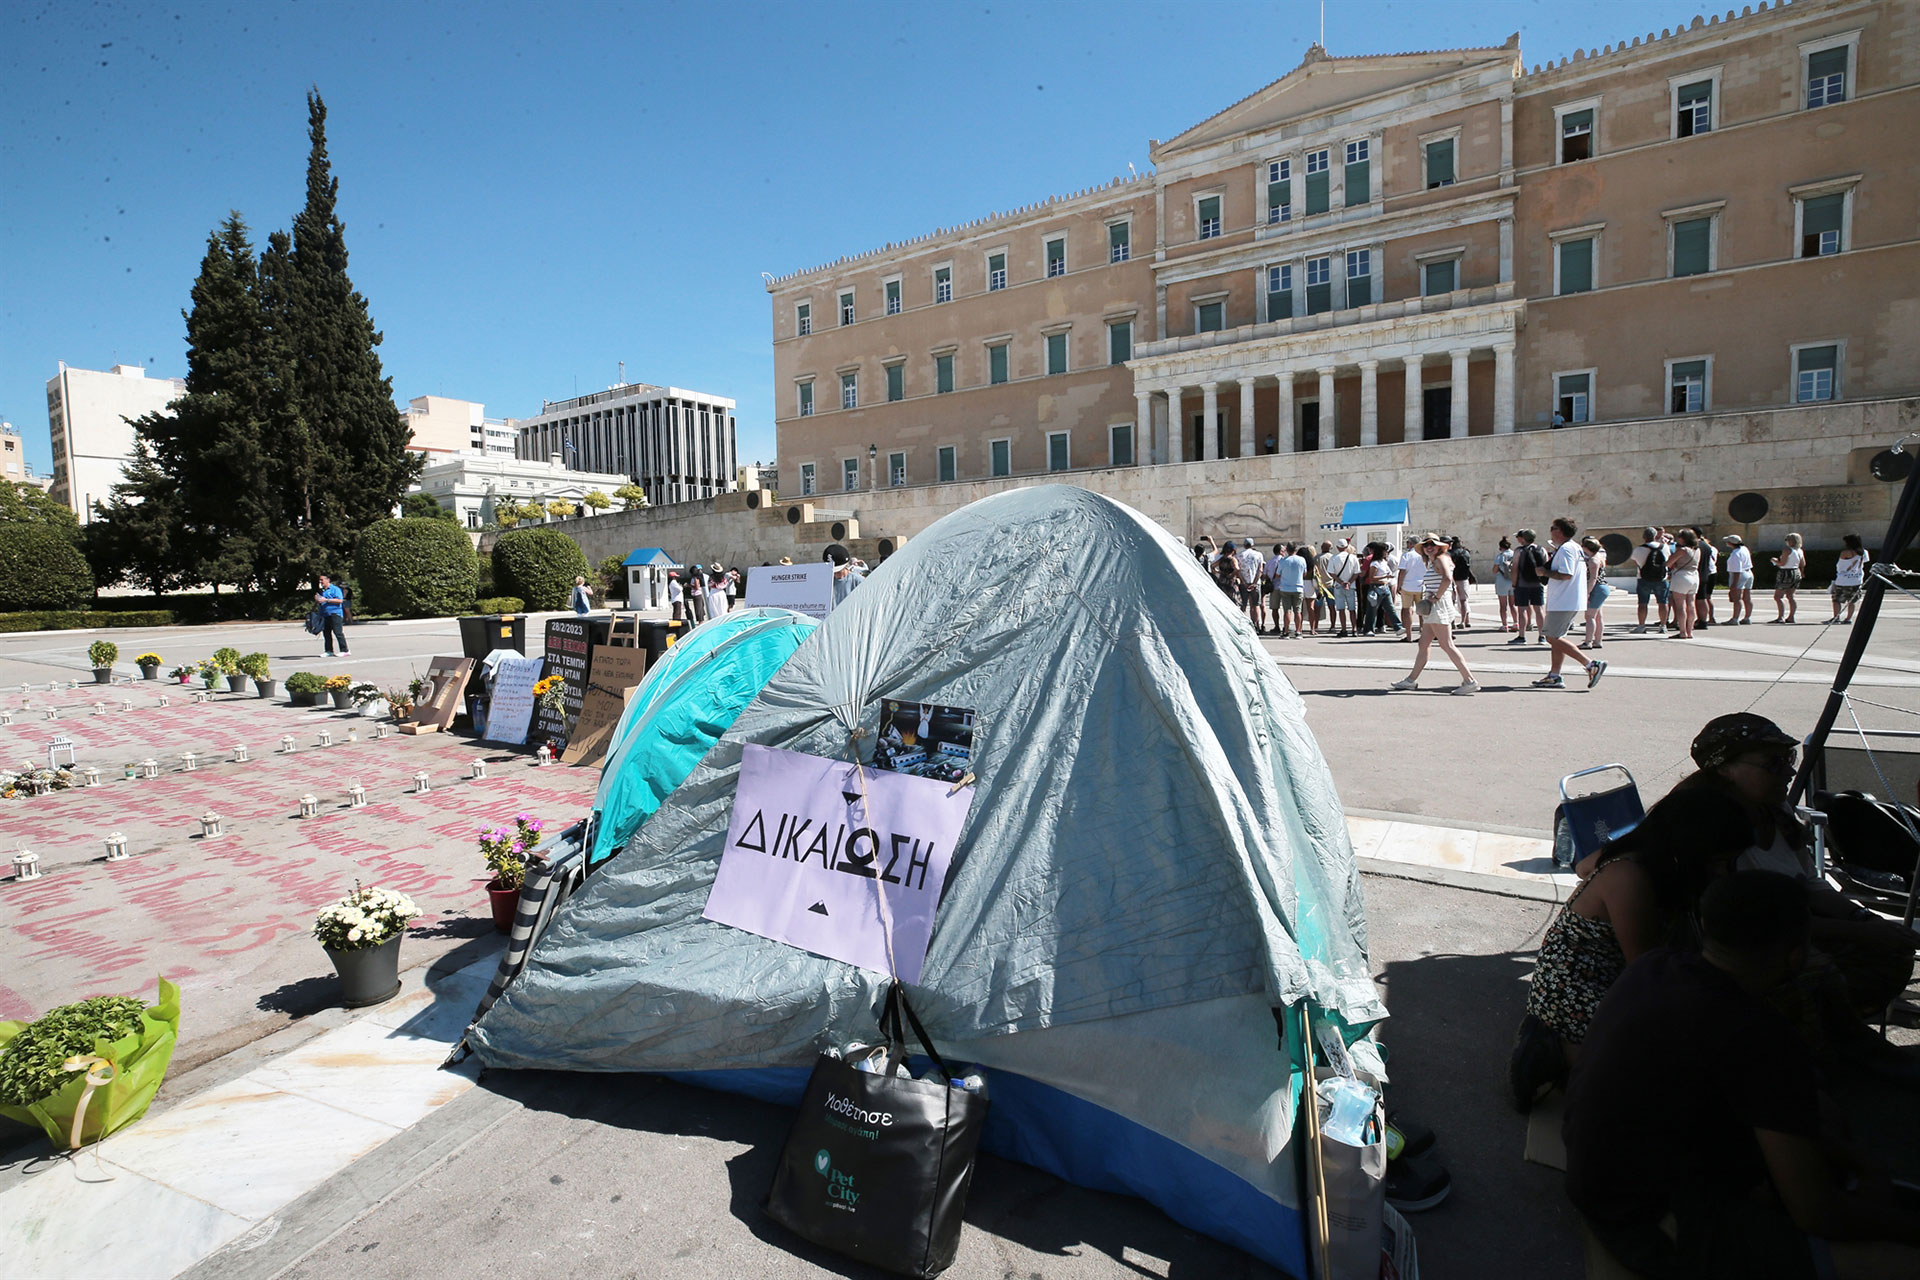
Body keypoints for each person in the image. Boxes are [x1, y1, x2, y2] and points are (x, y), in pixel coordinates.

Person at [1563, 872, 1920, 1280]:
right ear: (1795, 955)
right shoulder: (1761, 1038)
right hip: (1648, 1224)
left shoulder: (1657, 965)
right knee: (1896, 1262)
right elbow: (1817, 1213)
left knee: (1820, 1112)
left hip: (1597, 1181)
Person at [1510, 784, 1753, 1108]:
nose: (1724, 871)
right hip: (1575, 993)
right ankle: (1555, 1052)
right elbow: (1648, 973)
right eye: (1720, 860)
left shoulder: (1645, 855)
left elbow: (1584, 867)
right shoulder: (1630, 876)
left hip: (1608, 978)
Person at [1666, 713, 1918, 1023]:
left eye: (1788, 757)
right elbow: (1756, 920)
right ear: (1724, 769)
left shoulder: (1775, 808)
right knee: (1833, 978)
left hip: (1788, 930)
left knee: (1893, 951)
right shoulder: (1711, 828)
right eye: (1772, 763)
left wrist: (1863, 917)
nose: (1789, 770)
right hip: (1747, 950)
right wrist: (1862, 932)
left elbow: (1810, 884)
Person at [1388, 533, 1479, 694]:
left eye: (1432, 544)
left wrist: (1436, 597)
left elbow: (1447, 579)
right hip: (1435, 605)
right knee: (1423, 644)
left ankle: (1469, 680)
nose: (1429, 547)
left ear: (1439, 546)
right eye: (1426, 545)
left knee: (1447, 644)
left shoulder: (1440, 559)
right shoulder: (1435, 560)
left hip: (1438, 605)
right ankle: (1411, 680)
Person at [1533, 518, 1607, 689]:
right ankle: (1555, 675)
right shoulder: (1573, 548)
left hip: (1564, 600)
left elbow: (1566, 574)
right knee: (1557, 637)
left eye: (1553, 528)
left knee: (1551, 637)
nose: (1551, 531)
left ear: (1560, 531)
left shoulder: (1567, 549)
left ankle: (1590, 664)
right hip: (1567, 599)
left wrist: (1544, 571)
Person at [1509, 528, 1547, 645]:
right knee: (1539, 610)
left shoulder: (1519, 551)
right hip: (1538, 583)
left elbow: (1515, 568)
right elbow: (1546, 565)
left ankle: (1522, 636)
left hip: (1522, 584)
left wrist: (1514, 583)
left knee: (1522, 610)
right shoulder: (1542, 549)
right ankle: (1542, 636)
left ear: (1523, 538)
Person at [1630, 526, 1671, 633]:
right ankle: (1663, 625)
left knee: (1643, 603)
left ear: (1644, 537)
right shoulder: (1665, 547)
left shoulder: (1638, 549)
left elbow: (1636, 562)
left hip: (1643, 578)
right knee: (1663, 602)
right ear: (1655, 536)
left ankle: (1641, 626)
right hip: (1661, 578)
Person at [1667, 528, 1702, 640]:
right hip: (1694, 576)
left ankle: (1682, 631)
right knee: (1691, 604)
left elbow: (1669, 563)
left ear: (1683, 538)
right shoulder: (1697, 550)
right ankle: (1689, 631)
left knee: (1680, 605)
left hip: (1682, 576)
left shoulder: (1683, 550)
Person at [1829, 533, 1869, 625]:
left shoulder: (1846, 553)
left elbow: (1841, 564)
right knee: (1852, 600)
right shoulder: (1864, 552)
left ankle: (1836, 617)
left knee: (1836, 599)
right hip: (1857, 579)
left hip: (1843, 579)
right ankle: (1848, 618)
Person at [1578, 534, 1610, 650]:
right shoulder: (1600, 556)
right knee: (1598, 616)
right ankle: (1597, 640)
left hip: (1597, 587)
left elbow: (1593, 578)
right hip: (1602, 587)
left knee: (1589, 616)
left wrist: (1587, 593)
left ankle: (1588, 641)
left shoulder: (1593, 560)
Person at [1326, 540, 1360, 637]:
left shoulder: (1334, 558)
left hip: (1338, 586)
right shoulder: (1353, 558)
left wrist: (1341, 582)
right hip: (1351, 586)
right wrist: (1349, 582)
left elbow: (1331, 572)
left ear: (1337, 547)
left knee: (1341, 609)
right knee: (1352, 609)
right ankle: (1354, 629)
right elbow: (1357, 572)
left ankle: (1344, 629)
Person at [1273, 542, 1306, 638]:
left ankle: (1286, 631)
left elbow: (1278, 574)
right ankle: (1298, 631)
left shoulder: (1283, 561)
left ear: (1287, 550)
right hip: (1298, 587)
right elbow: (1304, 573)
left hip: (1285, 587)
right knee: (1298, 611)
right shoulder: (1302, 560)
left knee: (1287, 610)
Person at [1397, 535, 1426, 639]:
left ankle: (1409, 635)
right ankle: (1423, 632)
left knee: (1407, 610)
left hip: (1407, 585)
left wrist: (1399, 585)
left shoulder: (1407, 555)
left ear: (1411, 543)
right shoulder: (1424, 555)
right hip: (1421, 585)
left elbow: (1402, 572)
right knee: (1422, 610)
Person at [1772, 532, 1804, 623]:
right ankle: (1791, 616)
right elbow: (1803, 563)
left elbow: (1782, 563)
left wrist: (1775, 561)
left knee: (1778, 596)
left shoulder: (1787, 550)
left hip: (1785, 572)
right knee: (1791, 596)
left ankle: (1780, 617)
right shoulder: (1800, 551)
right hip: (1796, 572)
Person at [314, 573, 349, 657]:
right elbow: (321, 601)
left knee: (338, 632)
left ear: (327, 580)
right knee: (326, 633)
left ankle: (345, 650)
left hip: (335, 613)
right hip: (324, 614)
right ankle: (329, 650)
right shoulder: (322, 591)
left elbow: (340, 600)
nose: (320, 582)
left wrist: (327, 600)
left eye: (322, 580)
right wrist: (317, 599)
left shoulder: (335, 589)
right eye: (320, 580)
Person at [1236, 538, 1266, 631]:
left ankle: (1242, 626)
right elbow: (1260, 570)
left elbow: (1238, 571)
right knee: (1256, 605)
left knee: (1243, 605)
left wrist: (1244, 582)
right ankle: (1256, 625)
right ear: (1252, 545)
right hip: (1256, 583)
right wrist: (1255, 582)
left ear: (1244, 545)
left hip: (1244, 583)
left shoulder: (1239, 555)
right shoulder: (1258, 554)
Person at [1693, 526, 1719, 629]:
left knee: (1691, 600)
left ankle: (1688, 621)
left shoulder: (1695, 546)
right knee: (1702, 598)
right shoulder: (1707, 546)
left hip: (1695, 574)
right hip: (1705, 574)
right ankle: (1703, 620)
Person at [1725, 535, 1755, 625]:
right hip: (1749, 572)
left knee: (1737, 598)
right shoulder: (1744, 549)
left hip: (1740, 574)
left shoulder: (1735, 554)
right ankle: (1747, 617)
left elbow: (1737, 570)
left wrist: (1734, 585)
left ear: (1731, 543)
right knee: (1747, 597)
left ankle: (1735, 618)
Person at [1447, 536, 1474, 630]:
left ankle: (1452, 621)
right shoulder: (1466, 552)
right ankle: (1464, 621)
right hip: (1464, 578)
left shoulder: (1450, 553)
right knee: (1464, 600)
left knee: (1452, 601)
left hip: (1452, 578)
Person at [1493, 536, 1516, 633]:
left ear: (1500, 547)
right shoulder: (1515, 554)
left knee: (1503, 605)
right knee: (1513, 604)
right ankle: (1516, 623)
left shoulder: (1500, 556)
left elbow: (1494, 570)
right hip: (1513, 581)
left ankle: (1504, 625)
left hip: (1502, 581)